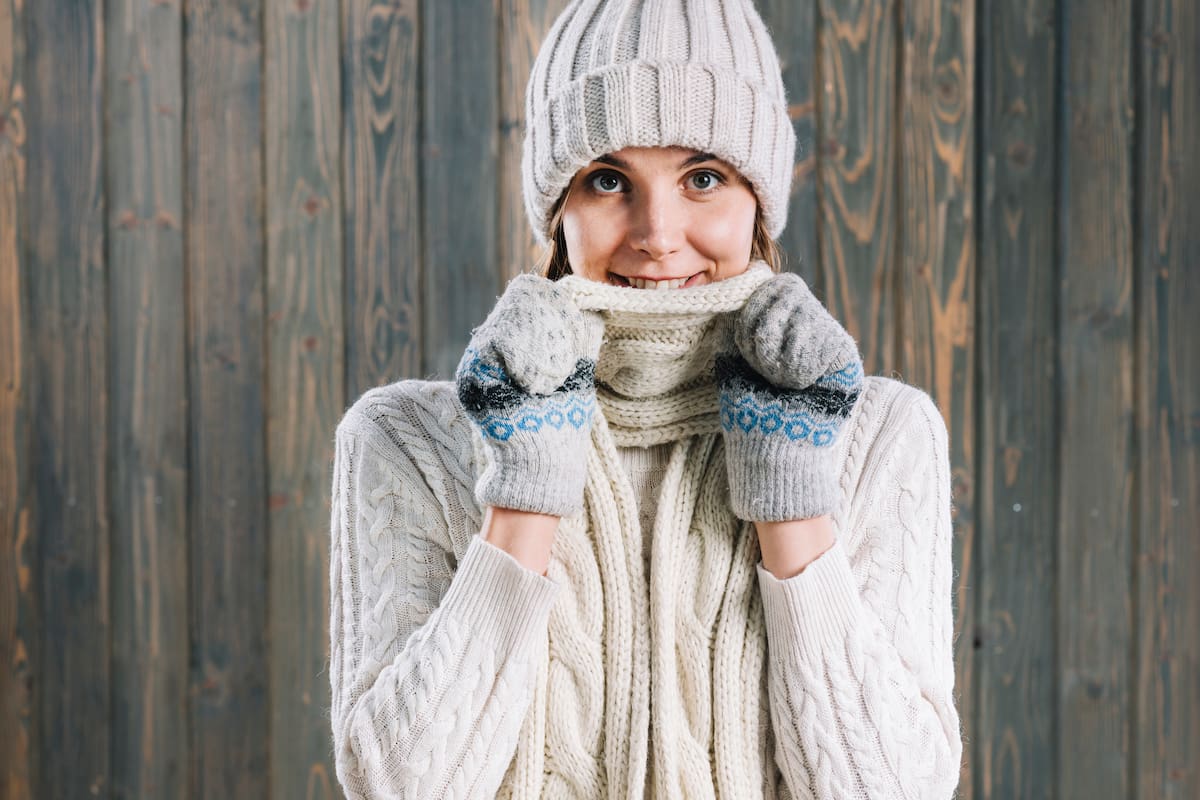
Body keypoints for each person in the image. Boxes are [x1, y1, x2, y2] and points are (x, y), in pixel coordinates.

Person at [327, 0, 965, 797]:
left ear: (759, 200)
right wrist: (523, 495)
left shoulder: (876, 436)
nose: (658, 233)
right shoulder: (406, 440)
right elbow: (402, 786)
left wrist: (793, 499)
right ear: (559, 212)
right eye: (608, 179)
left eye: (704, 177)